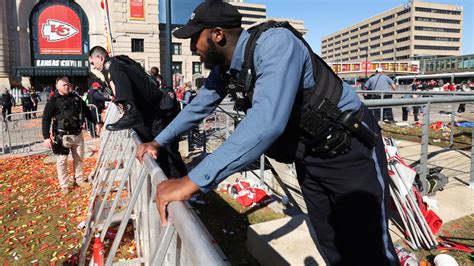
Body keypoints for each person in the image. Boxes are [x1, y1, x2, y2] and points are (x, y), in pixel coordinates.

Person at [135, 1, 398, 265]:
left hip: (349, 152)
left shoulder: (275, 44)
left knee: (370, 250)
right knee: (331, 244)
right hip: (310, 157)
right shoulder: (226, 68)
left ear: (217, 34)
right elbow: (199, 106)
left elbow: (266, 121)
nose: (192, 48)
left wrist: (191, 182)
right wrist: (158, 141)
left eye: (195, 38)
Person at [88, 46, 187, 178]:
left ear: (100, 57)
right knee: (164, 154)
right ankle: (174, 186)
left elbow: (124, 91)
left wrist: (129, 110)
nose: (93, 67)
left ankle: (178, 190)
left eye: (92, 63)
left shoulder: (112, 65)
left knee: (167, 156)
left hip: (154, 116)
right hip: (152, 115)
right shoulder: (119, 63)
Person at [42, 76, 102, 195]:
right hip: (62, 137)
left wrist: (96, 122)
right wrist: (46, 137)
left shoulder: (77, 99)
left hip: (77, 135)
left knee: (79, 158)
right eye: (63, 85)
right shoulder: (53, 102)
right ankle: (64, 185)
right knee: (62, 161)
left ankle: (79, 180)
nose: (66, 87)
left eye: (68, 84)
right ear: (57, 86)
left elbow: (87, 112)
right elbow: (46, 119)